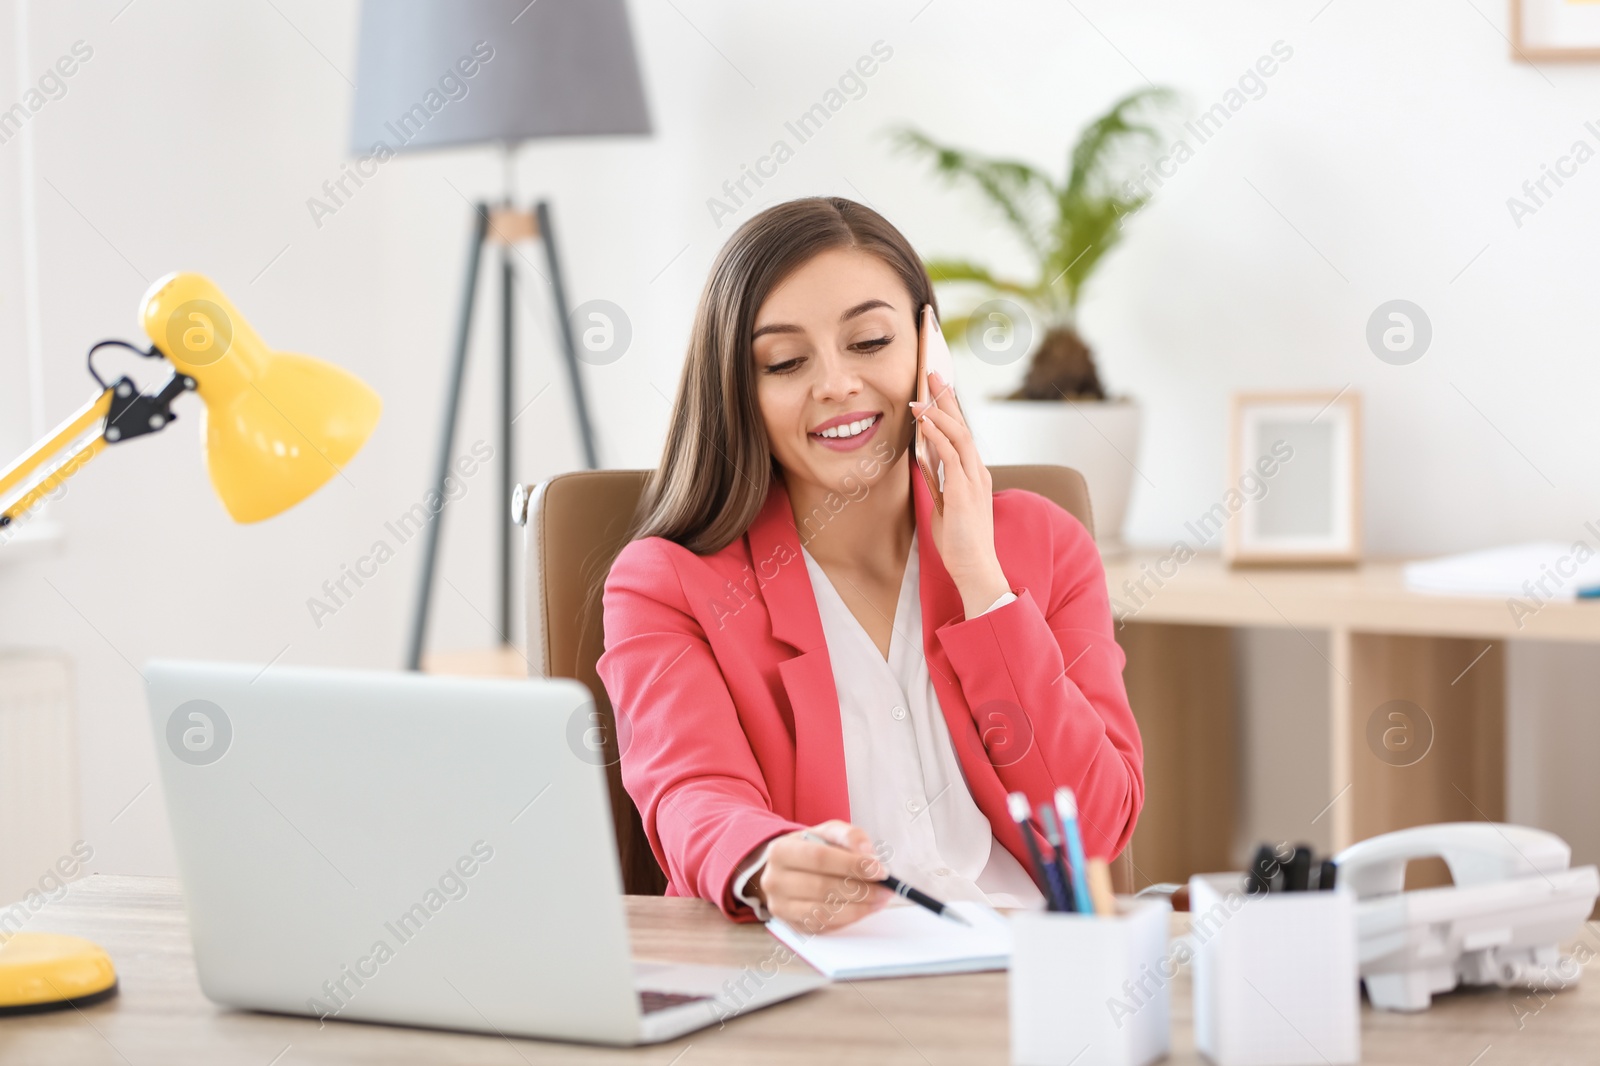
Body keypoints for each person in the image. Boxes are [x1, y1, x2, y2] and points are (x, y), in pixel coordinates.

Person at [595, 196, 1142, 929]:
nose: (836, 385)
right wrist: (766, 862)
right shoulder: (666, 585)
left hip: (1030, 978)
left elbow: (1097, 828)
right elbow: (692, 795)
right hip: (819, 982)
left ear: (928, 347)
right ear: (739, 391)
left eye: (870, 342)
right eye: (785, 361)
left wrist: (983, 583)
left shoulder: (1045, 546)